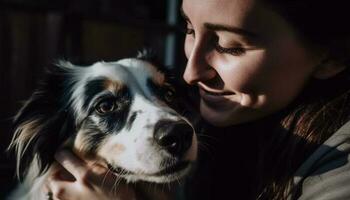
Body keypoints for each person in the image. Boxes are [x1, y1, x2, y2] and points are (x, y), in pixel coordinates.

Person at [47, 0, 350, 199]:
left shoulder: (341, 171)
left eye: (231, 46)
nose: (190, 73)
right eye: (190, 30)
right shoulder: (228, 128)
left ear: (331, 56)